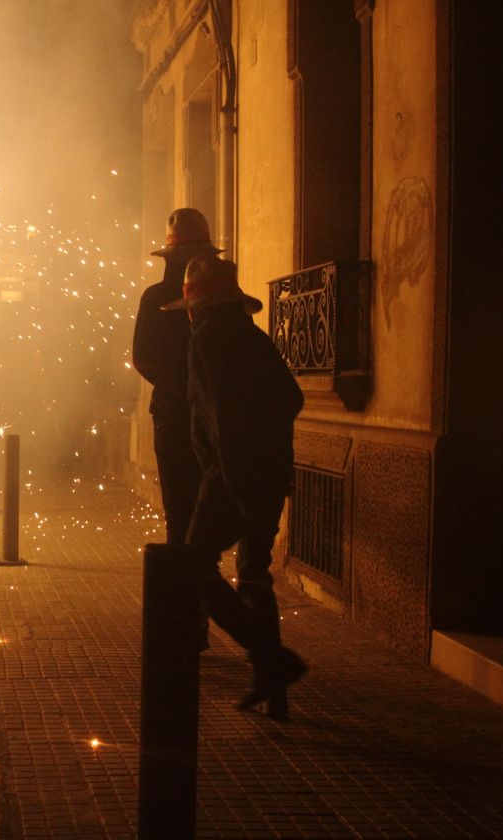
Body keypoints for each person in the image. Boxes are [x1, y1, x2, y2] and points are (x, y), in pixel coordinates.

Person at [162, 256, 307, 719]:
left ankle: (272, 660)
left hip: (231, 477)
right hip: (267, 472)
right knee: (253, 571)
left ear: (195, 307)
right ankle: (274, 686)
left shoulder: (205, 341)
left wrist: (231, 481)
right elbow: (291, 397)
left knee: (191, 566)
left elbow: (220, 421)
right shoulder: (253, 337)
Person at [132, 209, 222, 544]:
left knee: (195, 513)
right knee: (184, 512)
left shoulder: (215, 297)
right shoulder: (156, 298)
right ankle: (189, 584)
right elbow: (142, 357)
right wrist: (183, 386)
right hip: (178, 414)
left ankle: (190, 583)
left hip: (204, 416)